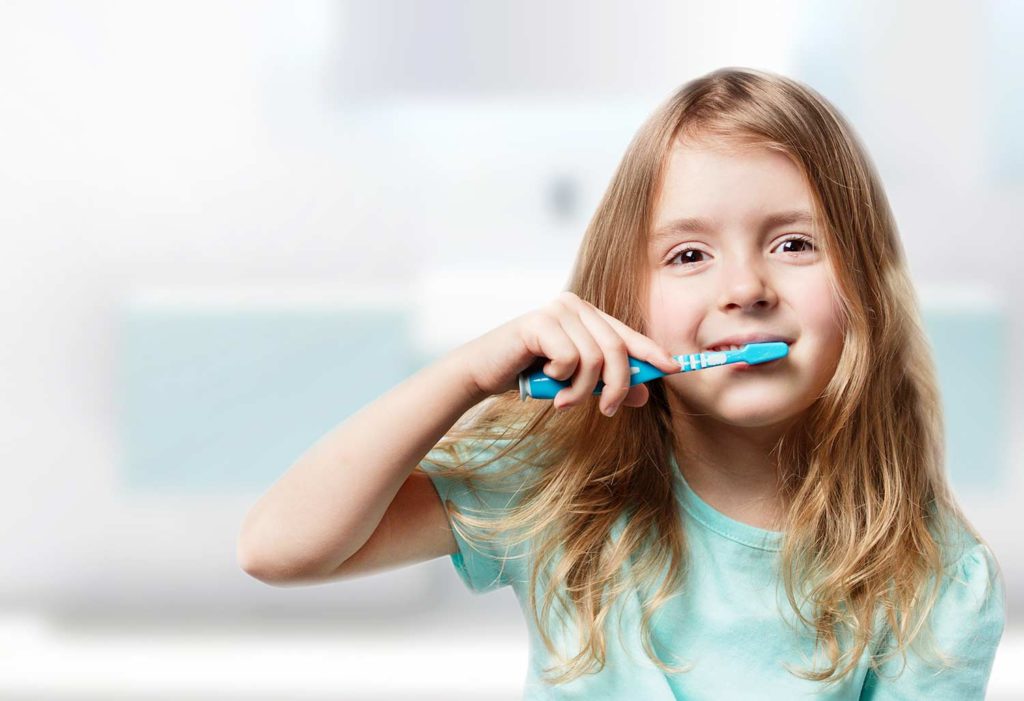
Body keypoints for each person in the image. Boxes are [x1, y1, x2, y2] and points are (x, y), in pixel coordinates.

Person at [237, 67, 1006, 699]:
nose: (745, 286)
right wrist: (469, 373)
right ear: (625, 307)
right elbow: (278, 548)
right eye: (688, 256)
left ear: (865, 288)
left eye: (794, 242)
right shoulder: (554, 479)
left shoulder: (932, 579)